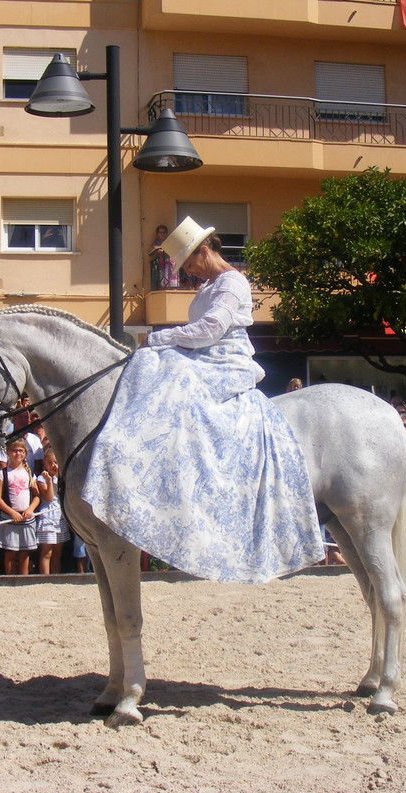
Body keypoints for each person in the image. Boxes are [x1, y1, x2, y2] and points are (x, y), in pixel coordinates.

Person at [81, 216, 324, 583]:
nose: (190, 273)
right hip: (202, 355)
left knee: (170, 373)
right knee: (152, 364)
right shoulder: (208, 286)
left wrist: (161, 338)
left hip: (224, 358)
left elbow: (211, 329)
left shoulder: (233, 282)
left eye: (191, 264)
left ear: (205, 251)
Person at [0, 439, 39, 575]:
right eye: (14, 450)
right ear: (8, 453)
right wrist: (11, 512)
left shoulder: (29, 473)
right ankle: (10, 577)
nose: (17, 453)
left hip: (26, 518)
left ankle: (23, 579)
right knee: (10, 551)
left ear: (25, 453)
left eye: (21, 450)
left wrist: (30, 509)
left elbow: (37, 496)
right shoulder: (3, 473)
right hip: (10, 517)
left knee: (25, 552)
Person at [35, 449, 69, 575]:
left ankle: (56, 577)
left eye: (55, 462)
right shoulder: (41, 479)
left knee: (57, 553)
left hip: (60, 517)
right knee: (47, 552)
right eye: (50, 463)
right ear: (45, 463)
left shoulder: (62, 477)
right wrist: (49, 481)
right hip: (48, 517)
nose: (53, 465)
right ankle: (45, 577)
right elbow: (48, 498)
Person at [148, 224, 178, 289]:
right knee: (162, 280)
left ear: (166, 233)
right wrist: (157, 250)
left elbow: (174, 249)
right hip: (161, 264)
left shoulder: (170, 241)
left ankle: (171, 288)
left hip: (170, 263)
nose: (162, 234)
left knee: (171, 279)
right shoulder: (156, 242)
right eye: (160, 232)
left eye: (164, 232)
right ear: (158, 234)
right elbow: (150, 250)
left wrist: (164, 250)